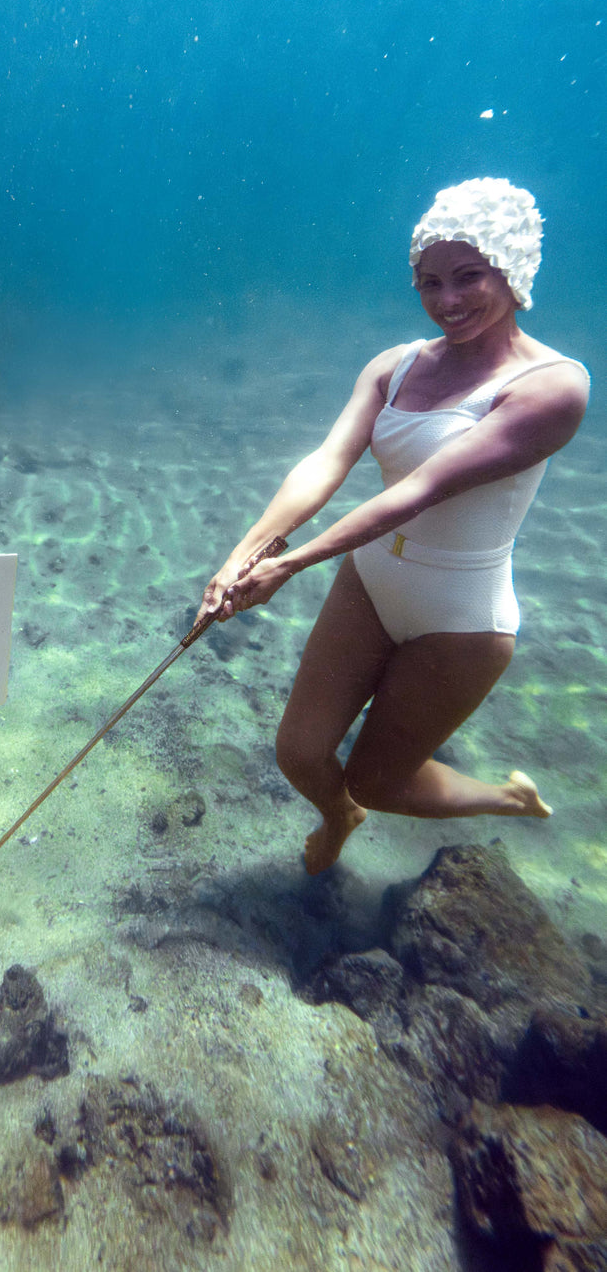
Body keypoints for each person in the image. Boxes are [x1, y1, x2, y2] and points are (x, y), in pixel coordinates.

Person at [197, 179, 589, 875]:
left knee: (382, 778)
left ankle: (507, 797)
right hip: (372, 578)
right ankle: (339, 813)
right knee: (301, 753)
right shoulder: (394, 365)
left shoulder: (555, 387)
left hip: (460, 616)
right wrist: (243, 554)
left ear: (514, 268)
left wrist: (289, 564)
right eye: (429, 282)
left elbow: (419, 490)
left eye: (470, 277)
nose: (448, 301)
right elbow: (325, 463)